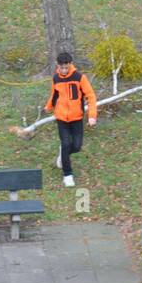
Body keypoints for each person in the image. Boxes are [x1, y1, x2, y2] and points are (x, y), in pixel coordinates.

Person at [44, 51, 97, 188]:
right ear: (58, 65)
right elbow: (54, 95)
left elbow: (90, 96)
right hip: (61, 118)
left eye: (66, 67)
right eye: (61, 67)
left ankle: (63, 154)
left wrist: (92, 116)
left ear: (70, 64)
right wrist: (48, 107)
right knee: (66, 143)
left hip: (76, 118)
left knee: (77, 146)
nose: (64, 70)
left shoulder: (79, 77)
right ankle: (67, 175)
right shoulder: (56, 78)